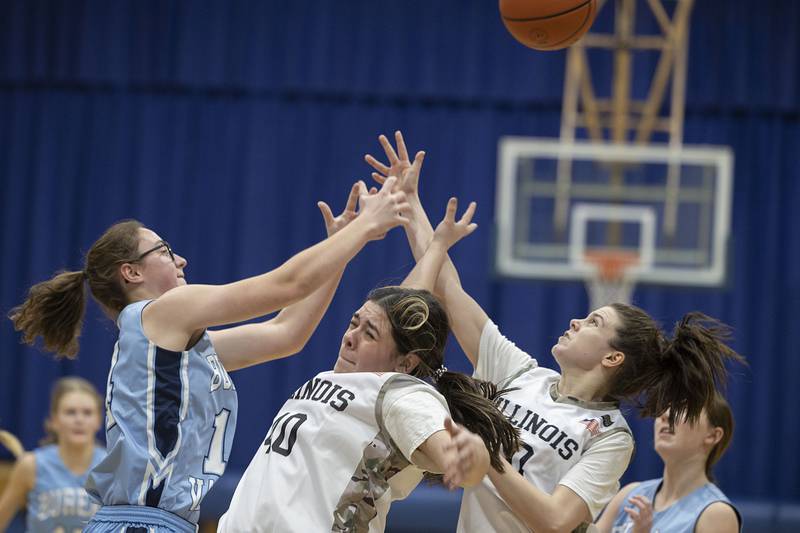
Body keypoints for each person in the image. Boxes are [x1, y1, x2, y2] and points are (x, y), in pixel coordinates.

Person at [365, 131, 746, 533]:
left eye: (593, 322)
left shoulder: (612, 437)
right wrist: (411, 204)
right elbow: (448, 289)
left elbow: (555, 520)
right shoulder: (522, 374)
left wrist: (487, 459)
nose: (575, 322)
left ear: (612, 357)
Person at [9, 178, 410, 533]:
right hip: (141, 522)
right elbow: (286, 285)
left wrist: (336, 252)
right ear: (131, 272)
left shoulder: (170, 346)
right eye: (165, 251)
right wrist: (364, 227)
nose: (180, 259)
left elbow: (285, 334)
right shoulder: (163, 311)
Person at [218, 197, 521, 533]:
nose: (351, 337)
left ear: (406, 363)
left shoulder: (401, 395)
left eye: (368, 334)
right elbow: (400, 311)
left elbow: (454, 456)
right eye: (353, 323)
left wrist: (471, 454)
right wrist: (436, 245)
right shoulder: (346, 378)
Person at [594, 393, 741, 533]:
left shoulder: (716, 514)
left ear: (713, 435)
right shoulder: (629, 495)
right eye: (664, 408)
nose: (665, 415)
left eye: (682, 409)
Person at [0, 377, 105, 532]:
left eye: (87, 413)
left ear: (98, 421)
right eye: (70, 412)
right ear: (54, 420)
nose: (79, 419)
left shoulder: (111, 467)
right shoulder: (31, 465)